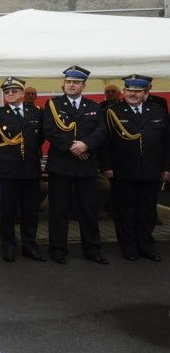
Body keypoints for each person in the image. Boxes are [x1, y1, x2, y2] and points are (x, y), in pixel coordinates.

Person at [100, 75, 170, 261]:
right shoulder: (112, 111)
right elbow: (105, 143)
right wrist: (106, 166)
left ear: (146, 93)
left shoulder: (158, 111)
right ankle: (128, 247)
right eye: (130, 90)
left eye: (137, 91)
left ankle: (146, 246)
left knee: (147, 211)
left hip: (151, 170)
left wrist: (166, 167)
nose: (133, 94)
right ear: (123, 92)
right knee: (126, 211)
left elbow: (166, 142)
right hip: (123, 170)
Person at [43, 66, 108, 264]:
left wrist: (85, 145)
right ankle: (58, 250)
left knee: (89, 210)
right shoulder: (52, 105)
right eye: (69, 81)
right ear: (63, 84)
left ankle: (92, 249)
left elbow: (102, 131)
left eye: (76, 82)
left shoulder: (94, 106)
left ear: (83, 85)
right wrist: (72, 146)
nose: (72, 85)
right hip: (61, 166)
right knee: (59, 210)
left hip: (86, 165)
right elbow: (48, 129)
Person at [0, 77, 46, 262]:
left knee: (31, 210)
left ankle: (29, 245)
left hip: (30, 169)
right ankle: (9, 246)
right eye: (6, 92)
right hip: (8, 171)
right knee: (8, 211)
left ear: (22, 93)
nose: (10, 94)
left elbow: (40, 139)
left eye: (14, 91)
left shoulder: (35, 112)